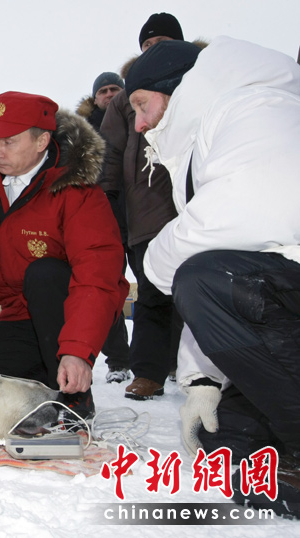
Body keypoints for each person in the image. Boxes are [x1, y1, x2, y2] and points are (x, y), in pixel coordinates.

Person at [127, 36, 300, 518]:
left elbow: (244, 216)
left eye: (141, 105)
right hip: (282, 298)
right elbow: (230, 261)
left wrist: (156, 263)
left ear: (174, 89)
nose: (139, 125)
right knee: (228, 447)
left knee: (200, 278)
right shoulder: (209, 133)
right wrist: (202, 378)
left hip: (287, 289)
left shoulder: (257, 106)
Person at [0, 91, 129, 419]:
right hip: (18, 318)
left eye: (9, 142)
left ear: (42, 141)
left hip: (71, 316)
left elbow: (97, 275)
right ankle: (45, 379)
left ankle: (75, 397)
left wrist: (78, 351)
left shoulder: (76, 192)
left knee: (44, 273)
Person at [97, 12, 187, 397]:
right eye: (147, 44)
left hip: (192, 204)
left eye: (161, 42)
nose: (153, 49)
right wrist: (106, 199)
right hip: (144, 209)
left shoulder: (197, 82)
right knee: (152, 292)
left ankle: (200, 371)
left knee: (201, 289)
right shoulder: (126, 97)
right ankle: (149, 372)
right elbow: (110, 152)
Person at [76, 71, 131, 383]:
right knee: (107, 289)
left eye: (114, 89)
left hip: (141, 215)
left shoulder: (142, 119)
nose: (109, 95)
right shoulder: (81, 133)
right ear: (95, 98)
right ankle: (119, 361)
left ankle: (168, 364)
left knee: (159, 290)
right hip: (102, 220)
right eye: (104, 91)